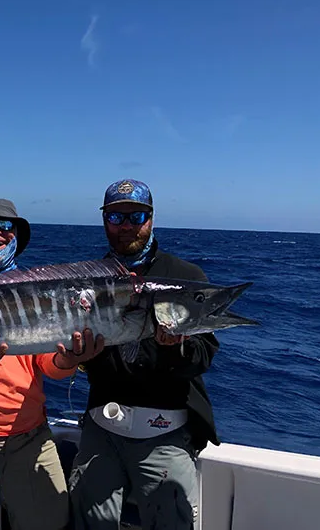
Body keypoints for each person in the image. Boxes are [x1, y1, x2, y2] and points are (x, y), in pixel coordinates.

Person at [0, 198, 105, 530]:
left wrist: (68, 359)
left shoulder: (38, 293)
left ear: (15, 237)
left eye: (5, 226)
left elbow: (47, 364)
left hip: (30, 440)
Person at [68, 180, 221, 530]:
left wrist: (175, 347)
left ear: (151, 218)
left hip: (165, 433)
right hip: (101, 429)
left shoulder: (186, 277)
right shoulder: (88, 280)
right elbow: (77, 357)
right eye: (115, 217)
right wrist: (76, 356)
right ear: (104, 220)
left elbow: (203, 356)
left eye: (135, 216)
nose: (126, 227)